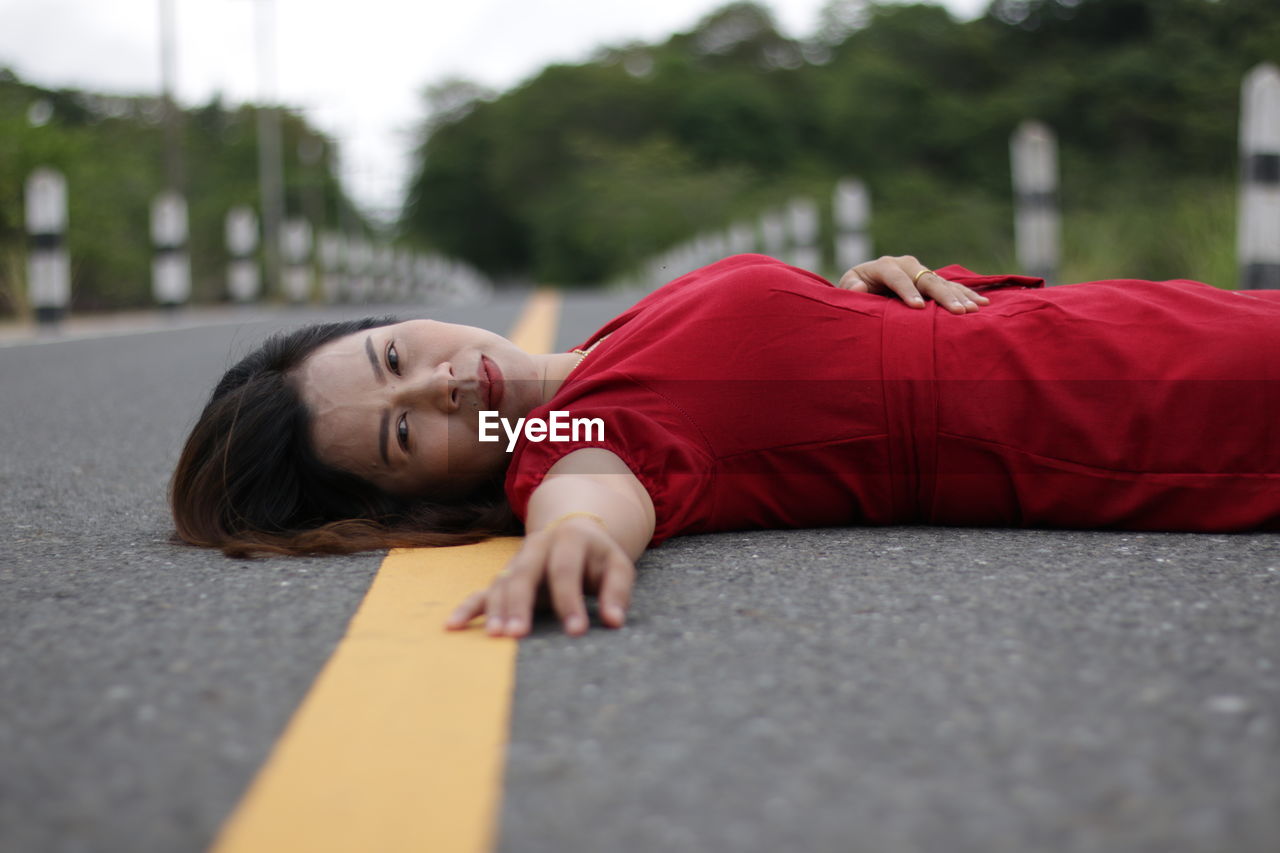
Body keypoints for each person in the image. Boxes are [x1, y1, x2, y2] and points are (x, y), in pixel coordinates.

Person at [170, 254, 1280, 638]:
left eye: (393, 355)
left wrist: (864, 292)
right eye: (410, 431)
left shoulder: (612, 345)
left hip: (1132, 324)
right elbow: (597, 487)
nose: (444, 380)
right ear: (425, 499)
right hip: (1145, 405)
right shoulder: (573, 433)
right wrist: (568, 545)